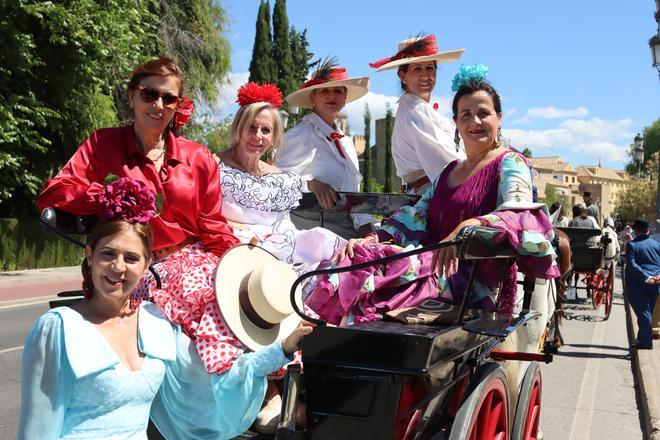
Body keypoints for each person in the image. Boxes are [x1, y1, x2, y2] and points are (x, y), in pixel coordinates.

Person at [20, 178, 313, 439]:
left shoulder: (156, 322)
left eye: (131, 258)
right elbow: (35, 431)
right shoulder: (58, 328)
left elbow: (218, 380)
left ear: (148, 265)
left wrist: (282, 349)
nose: (118, 267)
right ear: (89, 255)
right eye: (108, 254)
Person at [306, 64, 559, 325]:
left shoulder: (510, 163)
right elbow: (416, 213)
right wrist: (372, 237)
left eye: (484, 113)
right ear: (456, 123)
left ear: (499, 118)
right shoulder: (451, 170)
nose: (475, 122)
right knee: (357, 258)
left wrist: (475, 223)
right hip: (429, 265)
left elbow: (519, 213)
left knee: (378, 272)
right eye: (466, 115)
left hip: (469, 280)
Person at [37, 57, 242, 375]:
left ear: (177, 106)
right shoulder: (102, 144)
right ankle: (235, 382)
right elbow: (53, 193)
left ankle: (263, 382)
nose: (158, 104)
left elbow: (213, 225)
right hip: (137, 266)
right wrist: (110, 195)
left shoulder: (198, 157)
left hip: (195, 261)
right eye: (149, 94)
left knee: (245, 296)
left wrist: (239, 268)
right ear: (131, 96)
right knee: (202, 296)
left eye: (168, 98)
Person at [217, 82, 345, 272]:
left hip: (277, 253)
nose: (257, 136)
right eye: (251, 127)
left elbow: (284, 225)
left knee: (337, 255)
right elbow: (203, 216)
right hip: (230, 251)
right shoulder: (213, 166)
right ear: (238, 128)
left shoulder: (278, 178)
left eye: (266, 130)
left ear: (274, 135)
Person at [275, 59, 373, 237]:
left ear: (344, 98)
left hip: (344, 228)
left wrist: (368, 233)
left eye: (337, 91)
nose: (332, 96)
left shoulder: (346, 143)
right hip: (307, 230)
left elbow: (354, 194)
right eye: (324, 91)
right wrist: (311, 184)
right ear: (313, 97)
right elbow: (276, 181)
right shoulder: (302, 134)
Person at [369, 34, 466, 194]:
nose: (425, 75)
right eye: (417, 69)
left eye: (430, 68)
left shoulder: (415, 108)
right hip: (430, 196)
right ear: (403, 76)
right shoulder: (416, 111)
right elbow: (448, 162)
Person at [625, 218, 660, 349]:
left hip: (638, 285)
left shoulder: (632, 245)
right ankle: (641, 339)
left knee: (644, 314)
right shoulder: (657, 245)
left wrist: (647, 277)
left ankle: (646, 342)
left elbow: (632, 266)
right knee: (646, 313)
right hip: (655, 284)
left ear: (635, 230)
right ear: (648, 231)